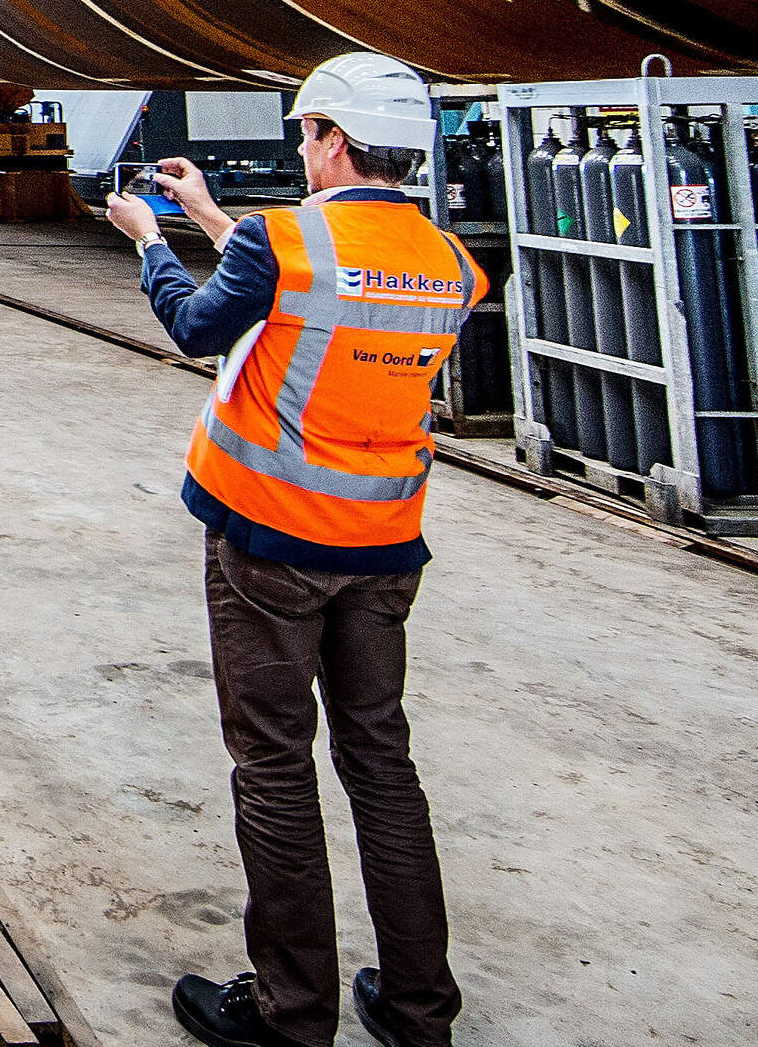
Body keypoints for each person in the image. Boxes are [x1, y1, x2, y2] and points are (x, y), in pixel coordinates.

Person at [105, 54, 481, 1047]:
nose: (304, 149)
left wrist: (152, 239)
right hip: (386, 549)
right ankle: (417, 1010)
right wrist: (211, 212)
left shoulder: (287, 242)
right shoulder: (451, 263)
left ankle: (293, 1015)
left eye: (309, 134)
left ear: (334, 142)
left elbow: (200, 324)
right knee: (381, 766)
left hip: (271, 545)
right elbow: (312, 302)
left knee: (273, 769)